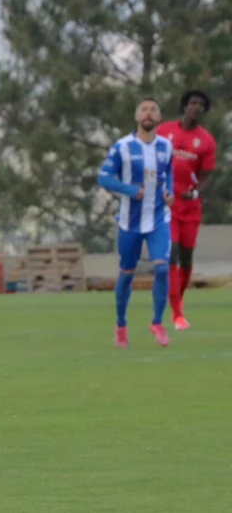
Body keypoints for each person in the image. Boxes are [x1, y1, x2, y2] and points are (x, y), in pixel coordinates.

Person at [97, 97, 175, 348]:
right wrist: (129, 190)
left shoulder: (166, 146)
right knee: (127, 273)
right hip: (129, 222)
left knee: (162, 268)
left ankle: (157, 322)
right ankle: (121, 325)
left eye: (153, 109)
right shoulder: (122, 146)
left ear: (160, 117)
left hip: (158, 219)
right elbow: (104, 178)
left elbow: (169, 172)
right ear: (136, 116)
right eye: (144, 109)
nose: (148, 113)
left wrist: (169, 192)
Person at [158, 89, 217, 330]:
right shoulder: (164, 131)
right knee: (170, 253)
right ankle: (177, 314)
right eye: (192, 103)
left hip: (191, 207)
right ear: (184, 106)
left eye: (201, 105)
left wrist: (196, 192)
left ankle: (178, 298)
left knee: (186, 257)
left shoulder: (206, 141)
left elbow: (207, 175)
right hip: (168, 205)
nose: (196, 108)